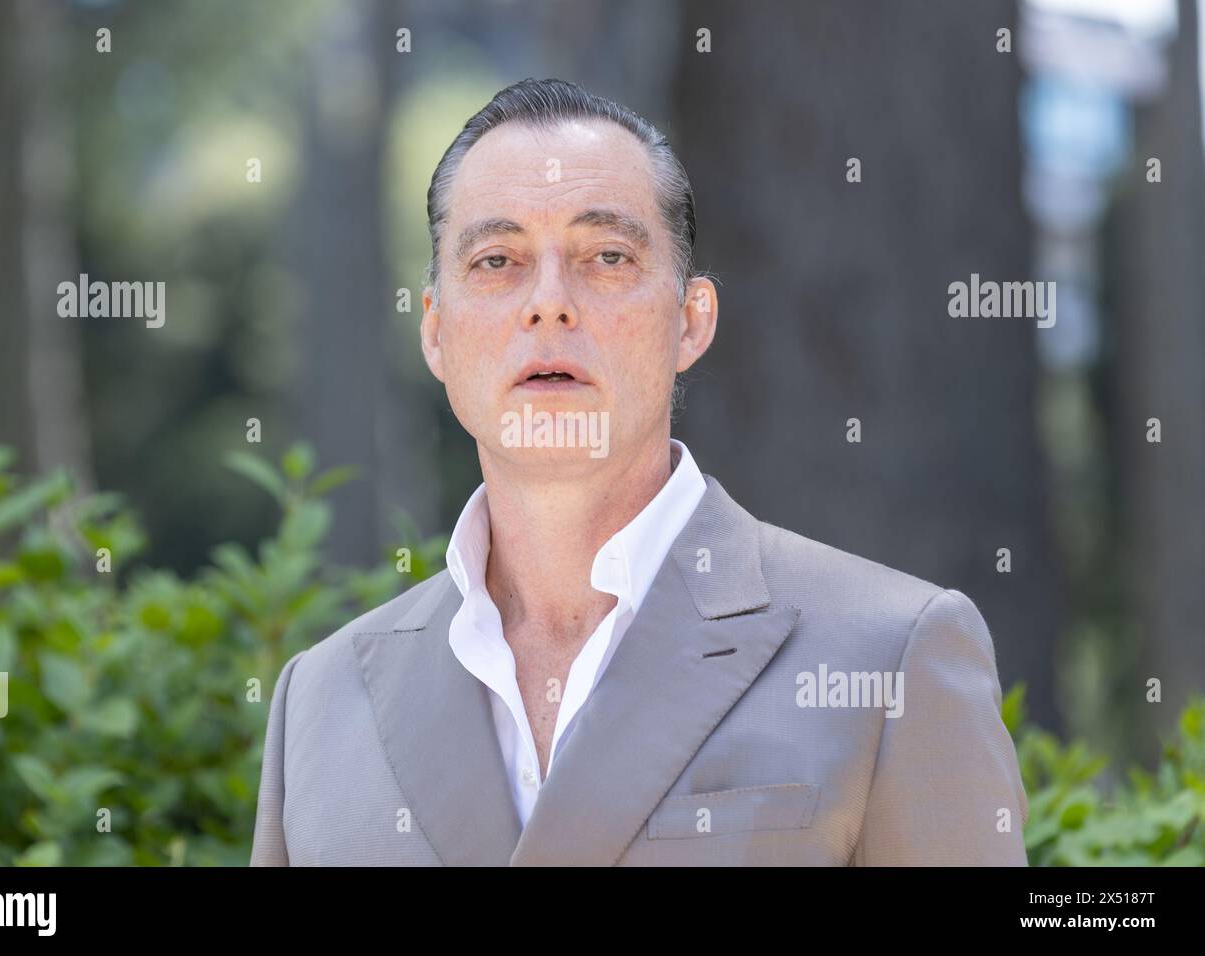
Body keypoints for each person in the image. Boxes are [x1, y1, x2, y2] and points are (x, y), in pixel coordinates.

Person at [250, 77, 1028, 866]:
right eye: (497, 260)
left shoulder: (891, 655)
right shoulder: (319, 702)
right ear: (437, 333)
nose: (549, 303)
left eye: (607, 256)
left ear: (690, 321)